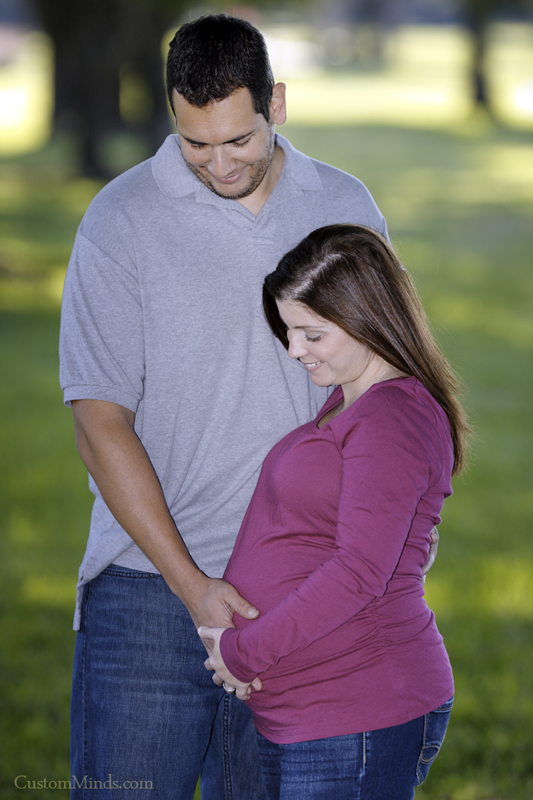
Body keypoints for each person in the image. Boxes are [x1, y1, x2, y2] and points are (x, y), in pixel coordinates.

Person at [59, 14, 434, 800]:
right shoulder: (120, 220)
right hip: (148, 590)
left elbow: (386, 379)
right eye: (196, 144)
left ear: (278, 105)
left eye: (238, 140)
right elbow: (99, 423)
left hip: (301, 591)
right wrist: (193, 586)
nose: (218, 163)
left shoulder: (343, 204)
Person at [198, 224, 471, 800]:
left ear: (366, 318)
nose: (294, 350)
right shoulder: (353, 400)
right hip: (317, 714)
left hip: (358, 711)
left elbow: (359, 573)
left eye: (311, 334)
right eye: (289, 331)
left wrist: (243, 654)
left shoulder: (392, 416)